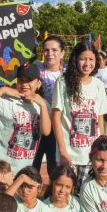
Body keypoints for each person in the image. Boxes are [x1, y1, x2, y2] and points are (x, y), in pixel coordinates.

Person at [52, 41, 107, 192]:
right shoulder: (63, 82)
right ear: (75, 59)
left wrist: (101, 145)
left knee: (87, 194)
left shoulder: (98, 85)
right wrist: (63, 151)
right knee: (66, 194)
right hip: (69, 154)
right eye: (83, 59)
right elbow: (56, 117)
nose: (87, 63)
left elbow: (100, 118)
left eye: (91, 59)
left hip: (91, 154)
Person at [0, 62, 51, 173]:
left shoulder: (43, 104)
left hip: (28, 166)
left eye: (29, 80)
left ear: (38, 83)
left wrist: (42, 105)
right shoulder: (7, 100)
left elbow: (46, 131)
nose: (24, 84)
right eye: (21, 80)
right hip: (3, 166)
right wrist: (3, 90)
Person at [33, 35, 66, 175]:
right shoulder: (35, 70)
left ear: (62, 53)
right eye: (46, 50)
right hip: (35, 126)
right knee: (32, 167)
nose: (50, 54)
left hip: (59, 128)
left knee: (55, 169)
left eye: (54, 50)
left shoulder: (68, 74)